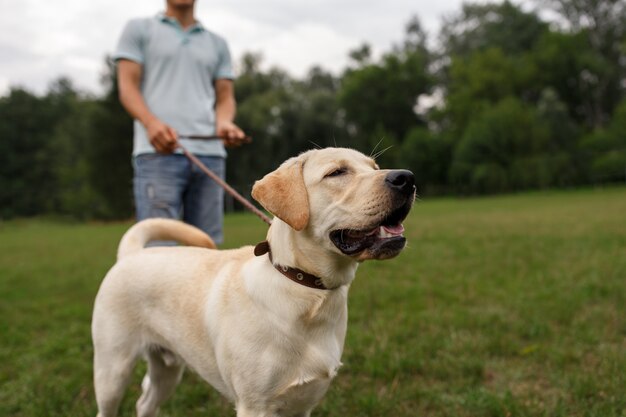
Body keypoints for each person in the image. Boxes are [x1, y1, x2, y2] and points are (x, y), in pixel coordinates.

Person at [113, 0, 246, 245]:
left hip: (210, 156)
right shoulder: (139, 29)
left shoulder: (217, 43)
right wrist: (151, 123)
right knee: (157, 250)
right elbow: (127, 87)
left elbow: (225, 97)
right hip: (157, 154)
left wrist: (224, 123)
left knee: (207, 249)